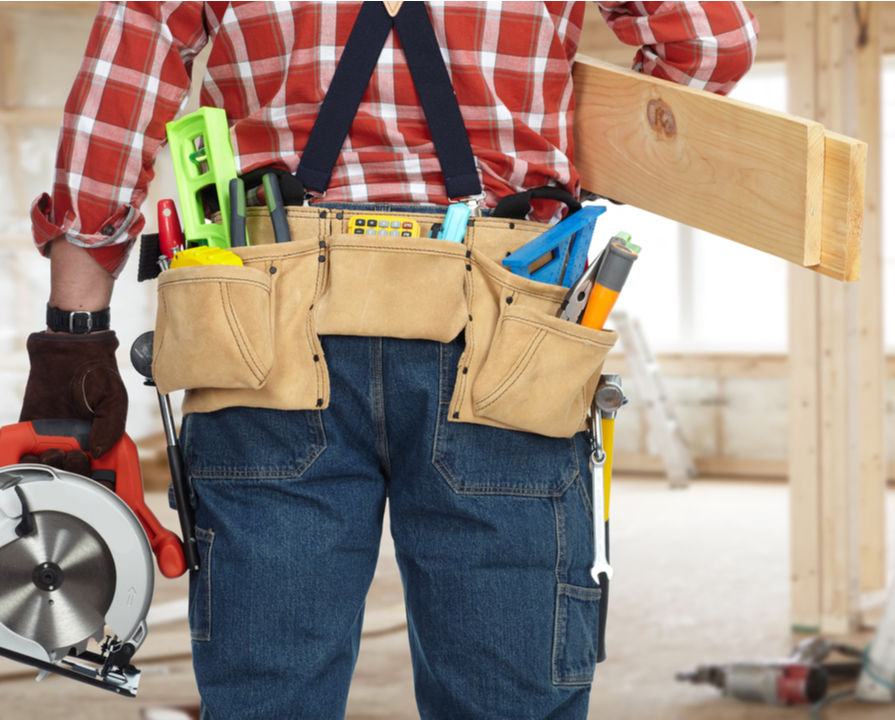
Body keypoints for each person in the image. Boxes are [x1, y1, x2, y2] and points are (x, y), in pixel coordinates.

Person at [24, 2, 756, 718]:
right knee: (509, 693)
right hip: (508, 317)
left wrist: (76, 335)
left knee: (268, 694)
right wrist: (558, 154)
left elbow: (127, 69)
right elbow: (711, 41)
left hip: (264, 324)